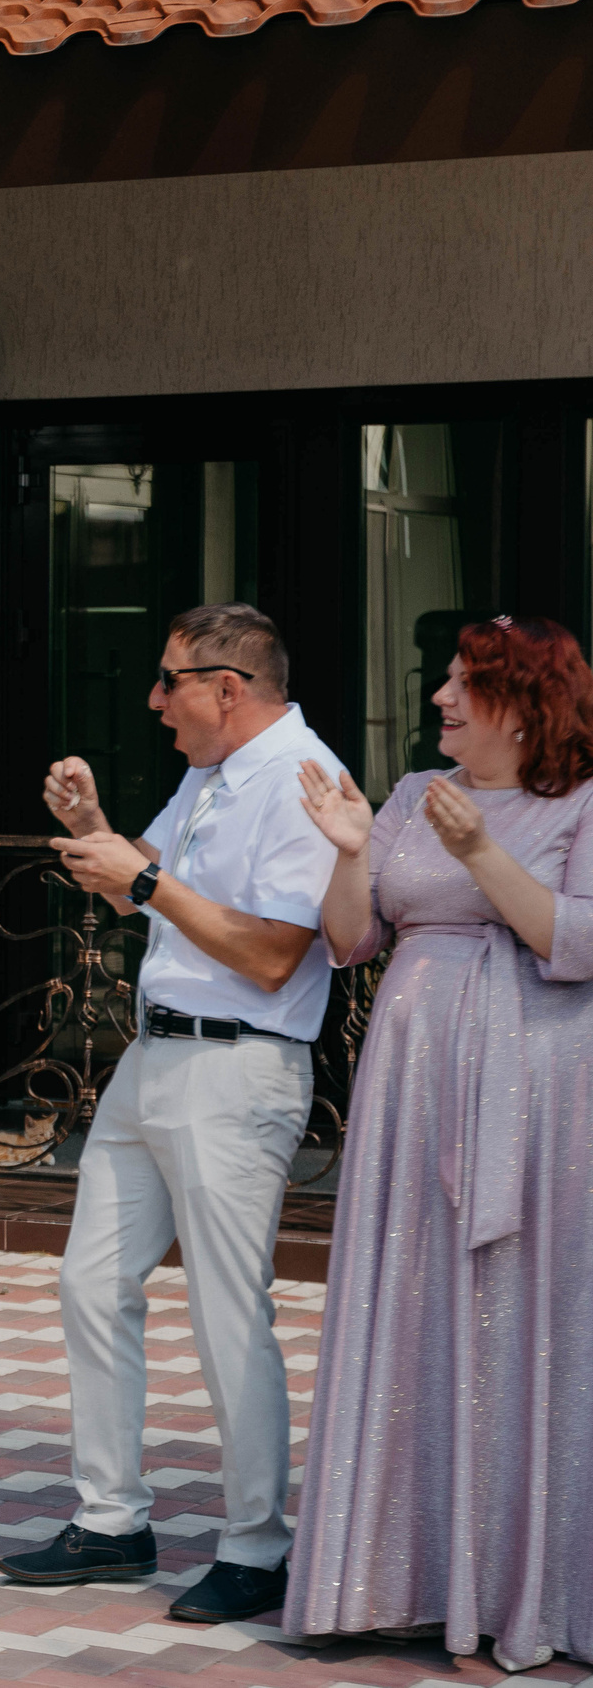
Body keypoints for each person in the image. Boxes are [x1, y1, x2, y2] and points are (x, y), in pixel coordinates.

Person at [0, 603, 342, 1624]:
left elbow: (274, 951)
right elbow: (142, 893)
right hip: (154, 1057)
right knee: (89, 1284)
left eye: (168, 680)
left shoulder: (299, 779)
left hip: (238, 1072)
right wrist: (94, 833)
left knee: (227, 1312)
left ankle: (254, 1546)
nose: (154, 700)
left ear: (226, 689)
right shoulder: (212, 771)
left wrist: (141, 874)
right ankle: (111, 1521)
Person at [285, 615, 593, 1671]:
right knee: (410, 1301)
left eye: (464, 684)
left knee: (522, 1309)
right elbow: (349, 938)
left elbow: (573, 938)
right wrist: (351, 850)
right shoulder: (414, 793)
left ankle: (522, 1592)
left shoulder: (582, 800)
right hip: (410, 1081)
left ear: (524, 701)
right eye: (445, 681)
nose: (440, 700)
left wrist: (480, 853)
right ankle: (397, 1577)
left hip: (541, 1085)